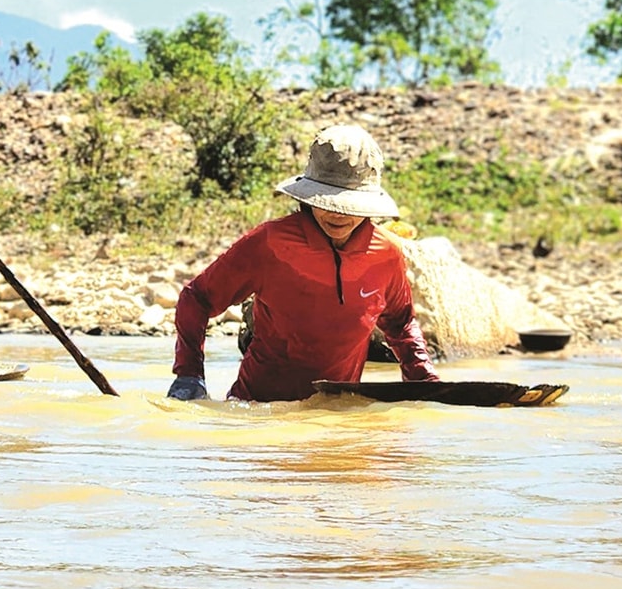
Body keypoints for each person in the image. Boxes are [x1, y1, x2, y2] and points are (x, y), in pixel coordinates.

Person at [169, 123, 438, 402]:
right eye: (328, 201)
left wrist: (424, 381)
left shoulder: (386, 254)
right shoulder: (270, 243)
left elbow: (401, 323)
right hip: (256, 416)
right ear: (309, 196)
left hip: (336, 415)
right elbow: (196, 298)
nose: (338, 213)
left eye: (349, 204)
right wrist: (189, 375)